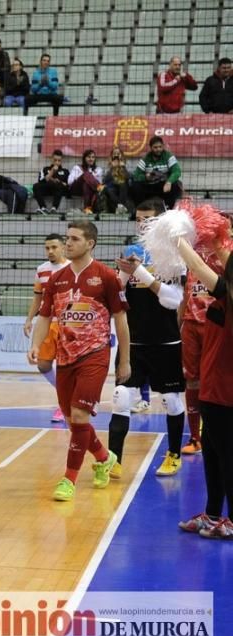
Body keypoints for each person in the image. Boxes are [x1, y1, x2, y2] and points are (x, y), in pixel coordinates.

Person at [28, 220, 130, 502]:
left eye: (74, 239)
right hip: (65, 356)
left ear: (90, 243)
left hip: (95, 355)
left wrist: (125, 361)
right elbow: (46, 316)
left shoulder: (106, 276)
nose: (68, 242)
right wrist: (36, 344)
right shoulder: (57, 279)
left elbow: (121, 320)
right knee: (75, 422)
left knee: (81, 416)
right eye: (67, 238)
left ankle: (68, 480)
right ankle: (104, 457)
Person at [107, 198, 188, 478]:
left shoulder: (175, 256)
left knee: (171, 401)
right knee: (120, 397)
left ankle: (174, 454)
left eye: (148, 219)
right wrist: (119, 278)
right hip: (134, 342)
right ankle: (113, 461)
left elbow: (172, 300)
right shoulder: (131, 250)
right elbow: (117, 296)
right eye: (139, 219)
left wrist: (138, 271)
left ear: (161, 222)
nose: (142, 224)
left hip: (165, 342)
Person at [173, 234, 233, 539]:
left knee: (227, 455)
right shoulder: (225, 292)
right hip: (213, 387)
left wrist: (175, 235)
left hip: (226, 391)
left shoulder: (226, 293)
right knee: (212, 451)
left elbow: (196, 262)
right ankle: (212, 515)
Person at [178, 240, 222, 456]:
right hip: (191, 324)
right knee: (192, 378)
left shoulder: (225, 258)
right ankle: (195, 437)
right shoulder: (192, 255)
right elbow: (186, 294)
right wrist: (178, 323)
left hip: (217, 325)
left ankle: (214, 433)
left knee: (216, 379)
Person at [24, 234, 70, 423]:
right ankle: (64, 394)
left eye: (54, 247)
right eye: (47, 248)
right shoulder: (42, 270)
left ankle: (64, 404)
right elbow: (38, 297)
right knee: (43, 365)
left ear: (63, 248)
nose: (50, 251)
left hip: (67, 324)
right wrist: (29, 320)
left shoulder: (71, 268)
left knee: (65, 367)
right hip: (46, 323)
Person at [130, 136, 183, 209]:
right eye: (155, 147)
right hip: (149, 185)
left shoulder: (168, 156)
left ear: (163, 146)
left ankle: (168, 209)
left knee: (175, 184)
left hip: (164, 186)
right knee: (135, 185)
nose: (158, 149)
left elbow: (177, 171)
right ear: (151, 148)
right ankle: (139, 209)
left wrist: (169, 182)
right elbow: (136, 175)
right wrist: (146, 177)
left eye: (160, 147)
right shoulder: (145, 159)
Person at [67, 149, 105, 214]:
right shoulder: (77, 167)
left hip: (89, 189)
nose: (91, 159)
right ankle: (99, 187)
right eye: (89, 157)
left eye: (93, 157)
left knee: (86, 184)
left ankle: (87, 208)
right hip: (76, 188)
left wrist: (89, 181)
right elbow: (69, 181)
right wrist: (81, 177)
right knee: (86, 174)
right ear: (84, 158)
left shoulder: (98, 169)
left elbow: (100, 181)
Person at [105, 146, 132, 215]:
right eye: (114, 153)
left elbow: (129, 178)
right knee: (108, 190)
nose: (116, 155)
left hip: (123, 186)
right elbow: (105, 180)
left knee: (122, 183)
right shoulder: (108, 165)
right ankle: (121, 207)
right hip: (112, 186)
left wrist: (123, 167)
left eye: (118, 153)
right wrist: (112, 168)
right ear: (111, 156)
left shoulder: (126, 164)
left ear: (121, 155)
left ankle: (120, 207)